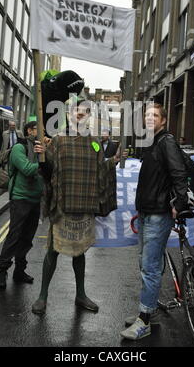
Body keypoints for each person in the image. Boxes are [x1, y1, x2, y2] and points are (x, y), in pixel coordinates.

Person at [32, 99, 124, 315]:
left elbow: (101, 169)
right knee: (53, 251)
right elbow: (49, 172)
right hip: (62, 204)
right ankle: (42, 296)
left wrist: (114, 161)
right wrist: (42, 157)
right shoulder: (57, 140)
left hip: (84, 205)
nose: (80, 115)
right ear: (69, 115)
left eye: (85, 112)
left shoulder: (93, 142)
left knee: (80, 252)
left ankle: (80, 295)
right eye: (76, 112)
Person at [120, 103, 189, 341]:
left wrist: (178, 204)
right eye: (147, 115)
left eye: (155, 115)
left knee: (149, 267)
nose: (150, 119)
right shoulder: (153, 143)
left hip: (159, 214)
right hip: (148, 212)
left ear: (163, 120)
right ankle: (147, 311)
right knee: (147, 264)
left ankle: (145, 321)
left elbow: (179, 173)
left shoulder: (166, 142)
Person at [0, 121, 44, 289]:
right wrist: (43, 162)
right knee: (14, 235)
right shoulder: (18, 148)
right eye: (39, 128)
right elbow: (28, 169)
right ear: (30, 130)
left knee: (27, 237)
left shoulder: (41, 148)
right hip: (20, 197)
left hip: (35, 198)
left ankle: (19, 271)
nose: (43, 132)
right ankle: (2, 271)